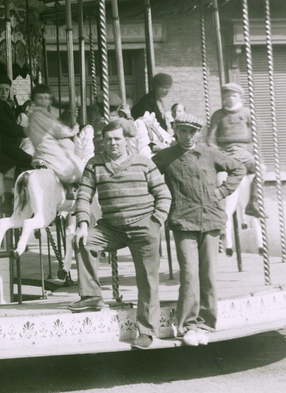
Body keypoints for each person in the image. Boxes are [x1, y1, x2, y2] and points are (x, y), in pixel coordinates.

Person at [69, 119, 172, 350]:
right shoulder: (94, 165)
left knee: (147, 279)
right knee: (84, 242)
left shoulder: (144, 164)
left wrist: (156, 222)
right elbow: (83, 196)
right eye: (108, 140)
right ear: (102, 143)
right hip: (111, 228)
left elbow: (163, 194)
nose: (113, 143)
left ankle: (146, 331)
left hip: (143, 226)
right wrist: (83, 224)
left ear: (126, 140)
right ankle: (92, 296)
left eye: (117, 139)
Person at [153, 112, 245, 346]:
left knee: (208, 273)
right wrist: (161, 203)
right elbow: (148, 179)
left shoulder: (209, 152)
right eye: (182, 130)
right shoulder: (165, 157)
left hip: (211, 220)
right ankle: (188, 325)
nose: (187, 135)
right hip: (183, 221)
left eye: (192, 131)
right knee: (189, 273)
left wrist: (222, 192)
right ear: (175, 130)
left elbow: (238, 169)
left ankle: (206, 322)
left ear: (198, 133)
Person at [207, 83, 263, 216]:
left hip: (243, 152)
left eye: (234, 96)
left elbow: (256, 135)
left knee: (261, 169)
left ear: (240, 97)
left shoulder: (247, 113)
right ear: (223, 98)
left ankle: (253, 202)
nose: (231, 99)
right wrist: (218, 152)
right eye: (227, 96)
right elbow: (210, 139)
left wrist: (253, 151)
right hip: (225, 152)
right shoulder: (218, 115)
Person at [28, 84, 82, 185]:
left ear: (50, 100)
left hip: (47, 148)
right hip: (48, 149)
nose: (43, 101)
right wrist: (73, 131)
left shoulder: (43, 113)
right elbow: (57, 130)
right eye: (40, 98)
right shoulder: (37, 114)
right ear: (33, 100)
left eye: (46, 98)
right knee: (76, 168)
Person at [0, 73, 32, 174]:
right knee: (30, 161)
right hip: (3, 145)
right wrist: (26, 132)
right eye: (1, 89)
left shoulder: (3, 104)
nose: (4, 92)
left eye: (7, 90)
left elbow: (11, 119)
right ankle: (16, 187)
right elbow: (8, 126)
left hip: (9, 144)